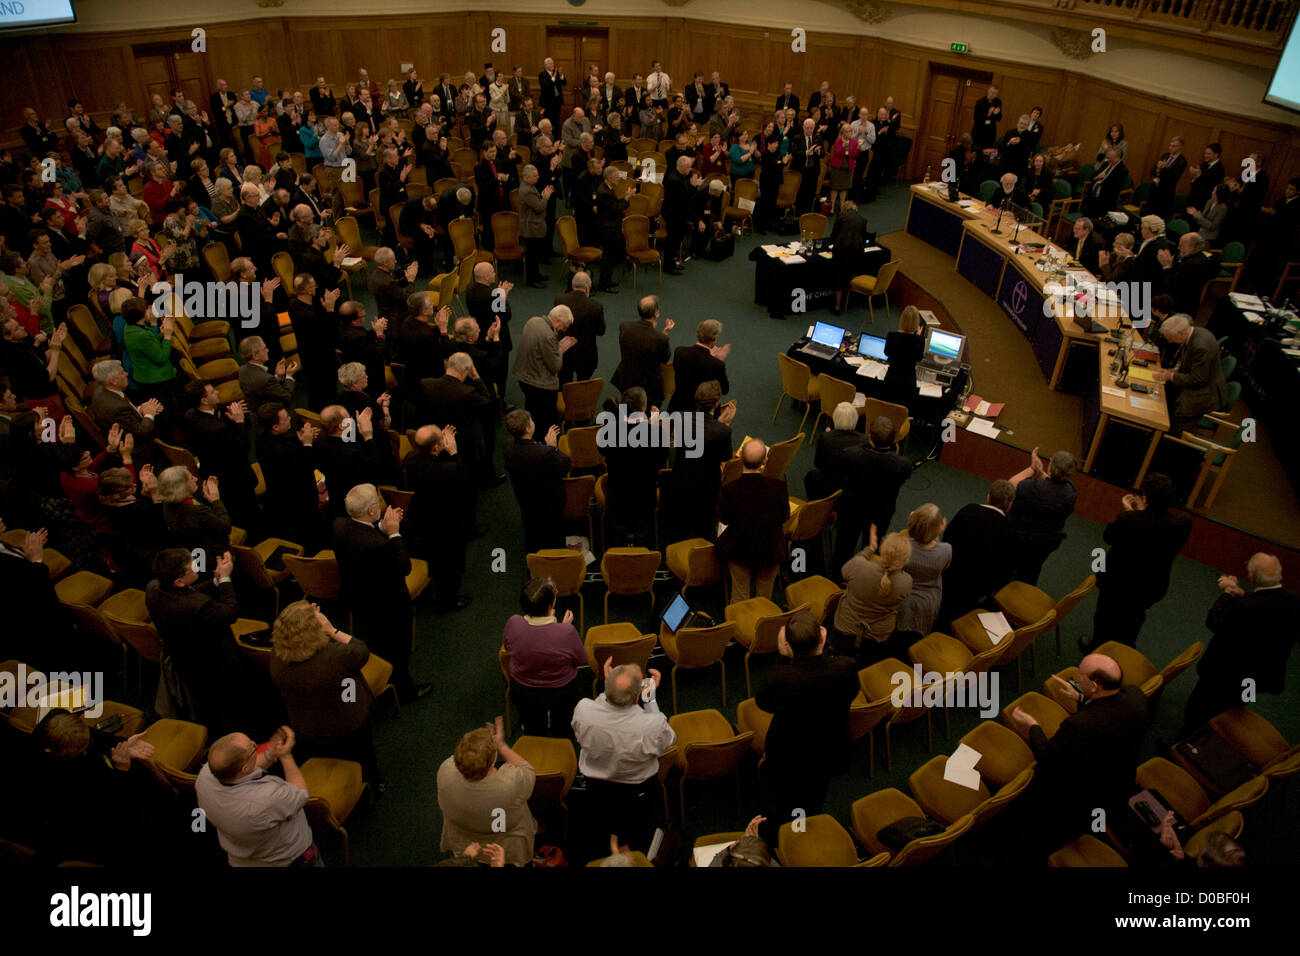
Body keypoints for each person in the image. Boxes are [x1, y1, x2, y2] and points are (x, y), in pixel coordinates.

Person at [1009, 653, 1147, 856]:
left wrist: (1033, 726)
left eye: (1080, 676)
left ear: (1095, 685)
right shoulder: (1137, 697)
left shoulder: (1079, 726)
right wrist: (1081, 698)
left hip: (1080, 795)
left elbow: (1048, 757)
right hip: (1118, 780)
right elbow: (1110, 716)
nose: (1076, 677)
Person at [755, 610, 859, 846]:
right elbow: (850, 692)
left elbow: (764, 702)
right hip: (827, 748)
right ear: (822, 637)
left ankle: (779, 840)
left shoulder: (780, 677)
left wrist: (783, 656)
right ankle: (803, 831)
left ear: (787, 644)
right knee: (813, 795)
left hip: (788, 752)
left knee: (781, 798)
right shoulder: (845, 667)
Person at [331, 483, 431, 703]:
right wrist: (394, 533)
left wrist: (381, 526)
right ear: (371, 511)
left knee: (376, 641)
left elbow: (363, 533)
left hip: (358, 598)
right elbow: (403, 565)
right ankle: (405, 691)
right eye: (377, 502)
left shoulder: (339, 525)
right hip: (388, 605)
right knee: (398, 650)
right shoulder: (378, 546)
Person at [1182, 553, 1299, 733]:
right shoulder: (1294, 601)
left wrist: (1228, 593)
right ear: (1280, 575)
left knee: (1198, 709)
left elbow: (1215, 621)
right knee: (1238, 705)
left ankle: (1187, 741)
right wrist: (1242, 594)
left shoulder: (1245, 607)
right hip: (1256, 678)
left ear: (1251, 577)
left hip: (1223, 675)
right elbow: (1266, 611)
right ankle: (1227, 732)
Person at [572, 661, 675, 858]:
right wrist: (650, 698)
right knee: (634, 826)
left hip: (595, 786)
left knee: (602, 818)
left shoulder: (583, 709)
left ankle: (609, 840)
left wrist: (609, 686)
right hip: (637, 789)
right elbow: (668, 741)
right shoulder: (651, 726)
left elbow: (598, 709)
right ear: (637, 698)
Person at [270, 601, 380, 784]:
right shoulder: (335, 657)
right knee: (364, 757)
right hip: (348, 723)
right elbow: (360, 650)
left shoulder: (276, 656)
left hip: (307, 726)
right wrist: (331, 630)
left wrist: (305, 615)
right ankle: (374, 785)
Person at [1082, 474, 1192, 653]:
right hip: (1151, 585)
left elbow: (1109, 537)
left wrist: (1129, 512)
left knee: (1105, 614)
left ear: (1146, 498)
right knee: (1134, 617)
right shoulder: (1184, 524)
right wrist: (1141, 511)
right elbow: (1152, 527)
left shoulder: (1129, 520)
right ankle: (1124, 651)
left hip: (1117, 581)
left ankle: (1097, 648)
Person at [195, 726, 320, 866]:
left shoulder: (205, 776)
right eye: (252, 747)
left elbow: (240, 768)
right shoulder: (266, 799)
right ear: (245, 768)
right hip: (289, 860)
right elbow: (300, 794)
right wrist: (286, 756)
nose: (256, 744)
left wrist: (271, 754)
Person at [437, 719, 537, 866]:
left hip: (465, 837)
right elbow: (527, 769)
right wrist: (501, 745)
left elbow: (463, 759)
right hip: (503, 841)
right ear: (492, 761)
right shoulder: (510, 784)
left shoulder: (445, 771)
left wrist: (478, 748)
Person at [501, 577, 588, 737]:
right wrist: (563, 628)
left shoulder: (513, 623)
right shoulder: (566, 632)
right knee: (562, 730)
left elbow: (508, 647)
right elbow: (582, 660)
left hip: (523, 690)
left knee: (533, 729)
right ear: (551, 605)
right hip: (562, 691)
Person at [404, 424, 475, 612]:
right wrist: (453, 451)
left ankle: (431, 590)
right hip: (447, 523)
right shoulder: (449, 470)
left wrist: (441, 449)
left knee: (431, 557)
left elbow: (433, 464)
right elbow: (465, 480)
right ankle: (448, 601)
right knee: (452, 565)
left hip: (421, 519)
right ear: (435, 448)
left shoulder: (410, 460)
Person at [833, 415, 912, 572]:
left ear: (869, 437)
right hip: (881, 513)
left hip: (852, 509)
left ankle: (837, 575)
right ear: (893, 440)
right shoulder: (903, 465)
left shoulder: (850, 455)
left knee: (844, 545)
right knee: (872, 547)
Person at [936, 479, 1018, 631]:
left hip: (951, 576)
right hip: (980, 587)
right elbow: (1007, 569)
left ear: (988, 497)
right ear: (1010, 505)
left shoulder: (968, 510)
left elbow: (947, 540)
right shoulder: (1010, 531)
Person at [717, 439, 790, 601]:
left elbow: (725, 519)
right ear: (765, 460)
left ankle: (739, 623)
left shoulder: (729, 490)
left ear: (740, 457)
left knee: (740, 594)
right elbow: (785, 517)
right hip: (770, 551)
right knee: (763, 598)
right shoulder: (779, 487)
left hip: (739, 551)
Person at [666, 381, 735, 542]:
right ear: (717, 403)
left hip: (681, 477)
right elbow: (725, 456)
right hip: (707, 485)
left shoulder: (680, 418)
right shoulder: (722, 431)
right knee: (704, 525)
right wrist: (723, 424)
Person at [833, 530, 913, 663]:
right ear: (905, 559)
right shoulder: (906, 582)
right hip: (877, 638)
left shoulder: (859, 566)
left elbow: (844, 571)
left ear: (882, 551)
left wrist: (869, 549)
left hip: (845, 628)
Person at [503, 409, 571, 553]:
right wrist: (552, 448)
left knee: (532, 530)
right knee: (555, 535)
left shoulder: (508, 448)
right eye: (531, 420)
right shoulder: (544, 453)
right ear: (528, 428)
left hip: (526, 499)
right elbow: (565, 464)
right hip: (549, 501)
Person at [1008, 446, 1077, 585]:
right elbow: (1051, 486)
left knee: (1008, 566)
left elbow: (1010, 485)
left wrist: (1032, 468)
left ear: (1051, 466)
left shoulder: (1032, 487)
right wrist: (1041, 473)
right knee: (1031, 571)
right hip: (1047, 541)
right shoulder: (1071, 491)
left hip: (1021, 537)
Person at [1150, 314, 1227, 435]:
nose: (1169, 341)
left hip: (1203, 395)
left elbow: (1198, 378)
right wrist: (1172, 371)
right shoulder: (1194, 333)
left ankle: (1162, 440)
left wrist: (1170, 376)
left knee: (1167, 423)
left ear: (1181, 333)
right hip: (1201, 383)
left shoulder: (1201, 346)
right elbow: (1190, 365)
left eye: (1170, 337)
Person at [512, 305, 577, 437]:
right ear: (558, 321)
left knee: (531, 410)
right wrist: (560, 350)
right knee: (547, 421)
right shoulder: (549, 336)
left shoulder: (532, 321)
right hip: (540, 386)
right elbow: (556, 366)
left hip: (523, 377)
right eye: (565, 326)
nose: (564, 330)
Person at [893, 504, 951, 643]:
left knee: (897, 640)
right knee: (917, 642)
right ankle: (916, 665)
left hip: (901, 598)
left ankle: (893, 659)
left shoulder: (901, 546)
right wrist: (937, 534)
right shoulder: (946, 550)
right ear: (937, 528)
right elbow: (945, 567)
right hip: (928, 602)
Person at [611, 294, 673, 409]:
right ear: (656, 314)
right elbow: (664, 359)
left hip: (627, 379)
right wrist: (663, 333)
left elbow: (640, 342)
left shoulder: (624, 327)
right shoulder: (660, 338)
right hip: (649, 387)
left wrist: (655, 332)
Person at [667, 318, 729, 415]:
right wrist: (716, 360)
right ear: (715, 338)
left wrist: (711, 358)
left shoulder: (679, 352)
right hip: (699, 414)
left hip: (676, 408)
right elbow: (724, 390)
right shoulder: (717, 365)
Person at [554, 271, 605, 383]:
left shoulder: (559, 300)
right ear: (587, 288)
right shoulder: (596, 306)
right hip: (586, 354)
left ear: (573, 286)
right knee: (583, 385)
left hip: (565, 352)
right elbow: (601, 331)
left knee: (564, 385)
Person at [1157, 232, 1220, 319]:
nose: (1179, 248)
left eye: (1181, 245)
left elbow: (1172, 286)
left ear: (1192, 247)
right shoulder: (1207, 258)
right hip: (1193, 302)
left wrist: (1166, 267)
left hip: (1179, 306)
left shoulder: (1189, 265)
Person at [828, 199, 867, 316]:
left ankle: (837, 306)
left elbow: (833, 236)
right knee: (849, 275)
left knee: (838, 278)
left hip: (841, 252)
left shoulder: (841, 217)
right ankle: (849, 301)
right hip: (856, 254)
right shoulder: (863, 220)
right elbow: (863, 238)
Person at [881, 305, 923, 411]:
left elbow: (887, 353)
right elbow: (919, 358)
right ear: (916, 323)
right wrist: (917, 336)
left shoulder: (891, 336)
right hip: (908, 383)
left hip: (891, 379)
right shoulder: (920, 341)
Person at [518, 164, 553, 288]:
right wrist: (545, 198)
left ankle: (536, 274)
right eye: (535, 176)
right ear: (527, 177)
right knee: (532, 255)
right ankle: (532, 279)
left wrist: (542, 197)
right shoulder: (527, 191)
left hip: (533, 224)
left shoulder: (529, 186)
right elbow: (539, 207)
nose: (538, 177)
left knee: (536, 252)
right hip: (530, 227)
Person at [1148, 136, 1188, 222]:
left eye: (1174, 146)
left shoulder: (1182, 161)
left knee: (1157, 219)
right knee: (1148, 214)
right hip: (1154, 189)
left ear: (1181, 146)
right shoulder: (1165, 155)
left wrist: (1163, 169)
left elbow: (1173, 177)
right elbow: (1152, 170)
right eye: (1170, 145)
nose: (1171, 148)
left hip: (1165, 193)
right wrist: (1158, 170)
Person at [826, 124, 858, 215]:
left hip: (848, 168)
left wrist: (857, 147)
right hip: (838, 167)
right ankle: (831, 208)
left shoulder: (854, 142)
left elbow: (855, 154)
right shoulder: (838, 141)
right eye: (847, 132)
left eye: (850, 131)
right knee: (835, 188)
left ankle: (842, 207)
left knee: (844, 188)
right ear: (842, 133)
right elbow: (838, 153)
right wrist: (843, 146)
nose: (849, 133)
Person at [971, 85, 1001, 149]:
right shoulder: (980, 102)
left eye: (996, 94)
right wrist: (988, 114)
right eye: (992, 93)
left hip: (990, 134)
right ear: (988, 91)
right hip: (979, 133)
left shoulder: (998, 102)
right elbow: (976, 118)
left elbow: (999, 118)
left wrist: (996, 114)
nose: (994, 95)